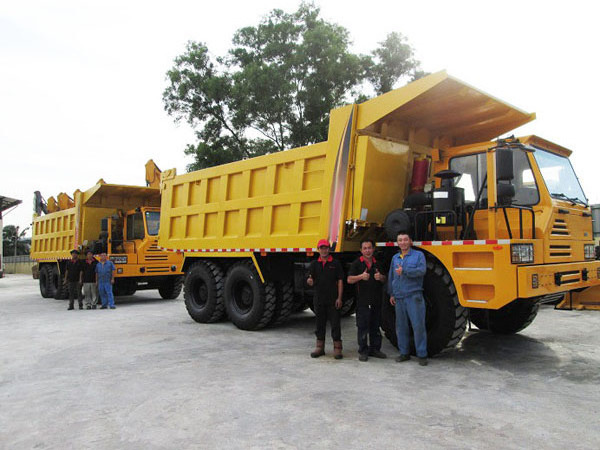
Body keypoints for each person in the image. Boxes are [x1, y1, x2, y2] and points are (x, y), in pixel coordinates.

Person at [388, 232, 428, 366]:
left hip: (413, 296)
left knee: (418, 326)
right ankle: (404, 353)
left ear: (410, 241)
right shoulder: (395, 258)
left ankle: (422, 354)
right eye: (400, 240)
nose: (403, 242)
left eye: (405, 240)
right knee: (401, 327)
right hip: (399, 297)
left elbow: (421, 271)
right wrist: (392, 294)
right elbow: (391, 277)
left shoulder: (418, 256)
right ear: (397, 243)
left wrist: (405, 271)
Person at [347, 239, 387, 362]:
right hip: (363, 302)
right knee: (363, 327)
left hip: (376, 300)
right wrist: (361, 277)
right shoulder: (356, 264)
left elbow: (385, 279)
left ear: (373, 249)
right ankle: (363, 351)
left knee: (375, 326)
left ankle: (375, 349)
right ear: (361, 250)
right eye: (365, 248)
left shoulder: (378, 264)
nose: (368, 250)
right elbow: (349, 279)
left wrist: (380, 277)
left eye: (369, 248)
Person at [307, 239, 344, 359]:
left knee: (335, 324)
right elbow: (309, 279)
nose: (324, 250)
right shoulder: (314, 264)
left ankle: (337, 348)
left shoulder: (336, 263)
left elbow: (340, 281)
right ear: (318, 250)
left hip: (333, 299)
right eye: (321, 248)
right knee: (320, 323)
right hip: (319, 299)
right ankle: (320, 347)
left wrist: (339, 297)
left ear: (329, 249)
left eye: (326, 248)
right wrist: (309, 281)